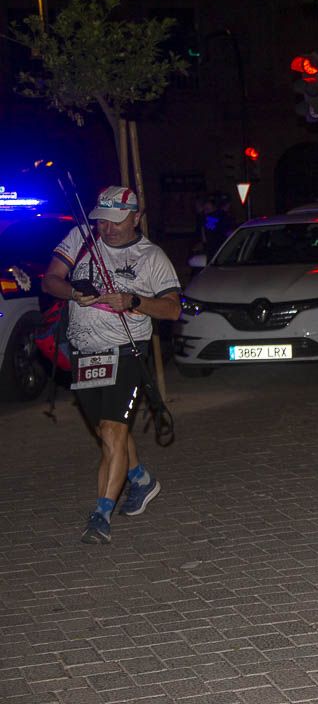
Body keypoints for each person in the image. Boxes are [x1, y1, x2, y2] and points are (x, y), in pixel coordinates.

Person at [41, 186, 182, 545]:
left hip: (126, 351)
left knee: (113, 431)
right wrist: (73, 292)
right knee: (107, 430)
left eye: (116, 221)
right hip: (85, 353)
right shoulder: (81, 238)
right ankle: (140, 478)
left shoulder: (151, 257)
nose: (108, 229)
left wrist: (134, 300)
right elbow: (50, 279)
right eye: (102, 221)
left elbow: (172, 309)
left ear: (136, 217)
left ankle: (101, 514)